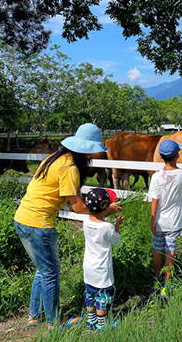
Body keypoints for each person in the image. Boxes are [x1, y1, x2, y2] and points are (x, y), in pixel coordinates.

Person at [13, 123, 121, 329]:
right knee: (50, 272)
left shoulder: (54, 158)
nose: (95, 155)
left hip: (23, 218)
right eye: (94, 151)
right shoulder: (69, 168)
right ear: (85, 150)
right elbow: (78, 207)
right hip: (38, 224)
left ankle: (35, 316)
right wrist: (105, 211)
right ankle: (55, 322)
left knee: (42, 270)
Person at [149, 139, 182, 296]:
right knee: (170, 254)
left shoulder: (156, 177)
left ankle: (156, 281)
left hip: (159, 221)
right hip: (174, 222)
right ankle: (167, 286)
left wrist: (152, 220)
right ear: (177, 155)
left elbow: (155, 200)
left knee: (157, 251)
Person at [82, 188, 122, 331]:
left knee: (90, 293)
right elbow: (115, 242)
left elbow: (98, 218)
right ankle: (102, 324)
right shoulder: (107, 227)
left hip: (88, 267)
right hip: (102, 269)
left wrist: (105, 212)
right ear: (106, 207)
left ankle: (91, 320)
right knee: (102, 297)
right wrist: (117, 226)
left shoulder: (85, 222)